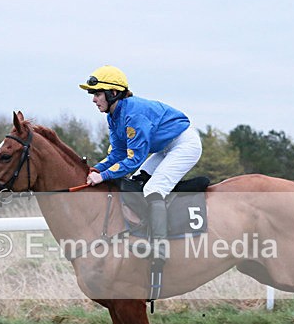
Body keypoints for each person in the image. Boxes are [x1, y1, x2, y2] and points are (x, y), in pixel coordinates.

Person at [79, 65, 202, 261]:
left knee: (153, 188)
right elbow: (118, 153)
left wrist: (102, 176)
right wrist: (95, 169)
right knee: (136, 182)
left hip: (184, 144)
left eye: (97, 93)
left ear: (113, 93)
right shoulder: (114, 115)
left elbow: (134, 159)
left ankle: (160, 248)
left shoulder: (133, 115)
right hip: (165, 147)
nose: (93, 99)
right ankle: (143, 231)